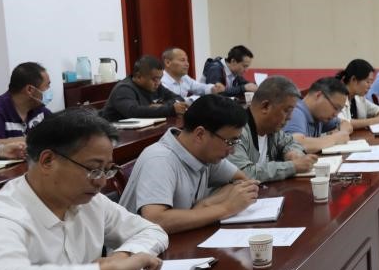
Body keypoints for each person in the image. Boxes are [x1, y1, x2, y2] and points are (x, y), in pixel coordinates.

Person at [0, 110, 167, 270]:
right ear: (47, 160)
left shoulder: (91, 201)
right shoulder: (1, 214)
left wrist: (121, 257)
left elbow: (152, 231)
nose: (101, 182)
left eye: (107, 170)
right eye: (94, 169)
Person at [120, 95, 258, 234]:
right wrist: (227, 208)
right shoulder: (160, 160)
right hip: (136, 245)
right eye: (230, 142)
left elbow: (242, 181)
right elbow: (156, 220)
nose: (232, 150)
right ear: (200, 134)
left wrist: (206, 204)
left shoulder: (206, 154)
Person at [228, 76, 317, 181]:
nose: (290, 117)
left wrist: (293, 153)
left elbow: (290, 142)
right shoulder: (235, 131)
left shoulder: (272, 130)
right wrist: (292, 166)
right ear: (265, 106)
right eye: (287, 111)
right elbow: (242, 173)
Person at [0, 62, 53, 161]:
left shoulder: (40, 110)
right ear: (30, 90)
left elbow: (57, 133)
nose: (49, 90)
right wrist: (35, 139)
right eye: (47, 85)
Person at [100, 56, 188, 121]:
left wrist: (162, 106)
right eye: (154, 79)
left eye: (160, 78)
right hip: (115, 133)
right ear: (138, 76)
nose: (158, 83)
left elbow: (178, 98)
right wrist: (170, 109)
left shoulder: (157, 86)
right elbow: (133, 112)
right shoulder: (123, 89)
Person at [284, 77, 353, 153]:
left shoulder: (319, 116)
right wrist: (335, 138)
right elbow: (296, 144)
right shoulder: (295, 112)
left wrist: (342, 133)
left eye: (339, 110)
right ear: (319, 95)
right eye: (335, 107)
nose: (336, 114)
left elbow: (345, 123)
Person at [336, 59, 379, 129]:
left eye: (371, 82)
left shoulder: (358, 98)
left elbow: (378, 110)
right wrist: (377, 120)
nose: (370, 86)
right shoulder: (337, 97)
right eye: (368, 82)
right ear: (354, 79)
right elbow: (344, 123)